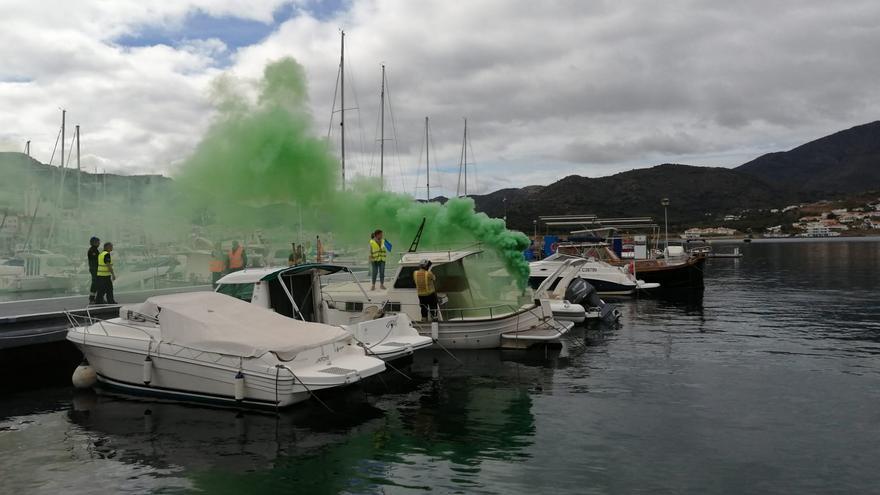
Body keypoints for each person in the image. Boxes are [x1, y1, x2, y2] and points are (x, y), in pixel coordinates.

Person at [87, 236, 100, 304]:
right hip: (95, 269)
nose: (99, 243)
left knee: (97, 284)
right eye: (98, 242)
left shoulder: (95, 250)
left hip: (95, 269)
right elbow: (95, 261)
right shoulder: (92, 250)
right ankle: (92, 299)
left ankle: (96, 298)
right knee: (95, 284)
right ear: (94, 243)